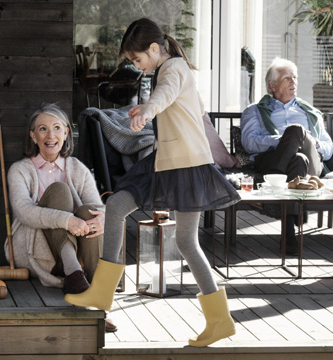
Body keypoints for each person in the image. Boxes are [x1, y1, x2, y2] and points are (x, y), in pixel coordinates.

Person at [64, 18, 241, 347]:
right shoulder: (173, 69)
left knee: (122, 209)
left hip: (182, 164)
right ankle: (219, 319)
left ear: (154, 49)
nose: (137, 66)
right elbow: (186, 106)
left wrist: (148, 110)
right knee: (171, 233)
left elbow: (165, 95)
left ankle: (105, 293)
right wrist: (147, 109)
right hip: (175, 160)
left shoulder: (171, 69)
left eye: (137, 59)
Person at [5, 103, 115, 331]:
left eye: (56, 128)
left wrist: (102, 219)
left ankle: (95, 296)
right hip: (37, 251)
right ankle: (75, 275)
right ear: (33, 136)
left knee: (89, 212)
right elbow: (24, 212)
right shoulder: (20, 170)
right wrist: (66, 220)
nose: (50, 135)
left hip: (82, 254)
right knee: (59, 191)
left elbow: (97, 207)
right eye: (43, 129)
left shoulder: (77, 168)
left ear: (66, 132)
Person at [241, 57, 333, 255]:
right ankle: (289, 235)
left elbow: (328, 147)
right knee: (297, 157)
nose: (293, 82)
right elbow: (249, 143)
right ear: (272, 85)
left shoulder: (311, 112)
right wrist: (284, 140)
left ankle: (274, 183)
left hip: (311, 167)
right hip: (272, 160)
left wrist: (311, 142)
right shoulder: (254, 111)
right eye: (287, 78)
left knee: (299, 137)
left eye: (295, 78)